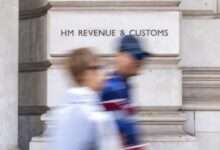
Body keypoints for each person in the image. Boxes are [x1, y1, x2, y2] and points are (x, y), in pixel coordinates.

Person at [48, 48, 123, 150]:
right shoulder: (96, 117)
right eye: (96, 68)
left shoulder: (61, 112)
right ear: (81, 74)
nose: (103, 74)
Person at [101, 35, 151, 147]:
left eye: (141, 57)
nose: (138, 61)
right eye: (134, 55)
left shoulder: (124, 85)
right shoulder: (113, 88)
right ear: (119, 56)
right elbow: (118, 136)